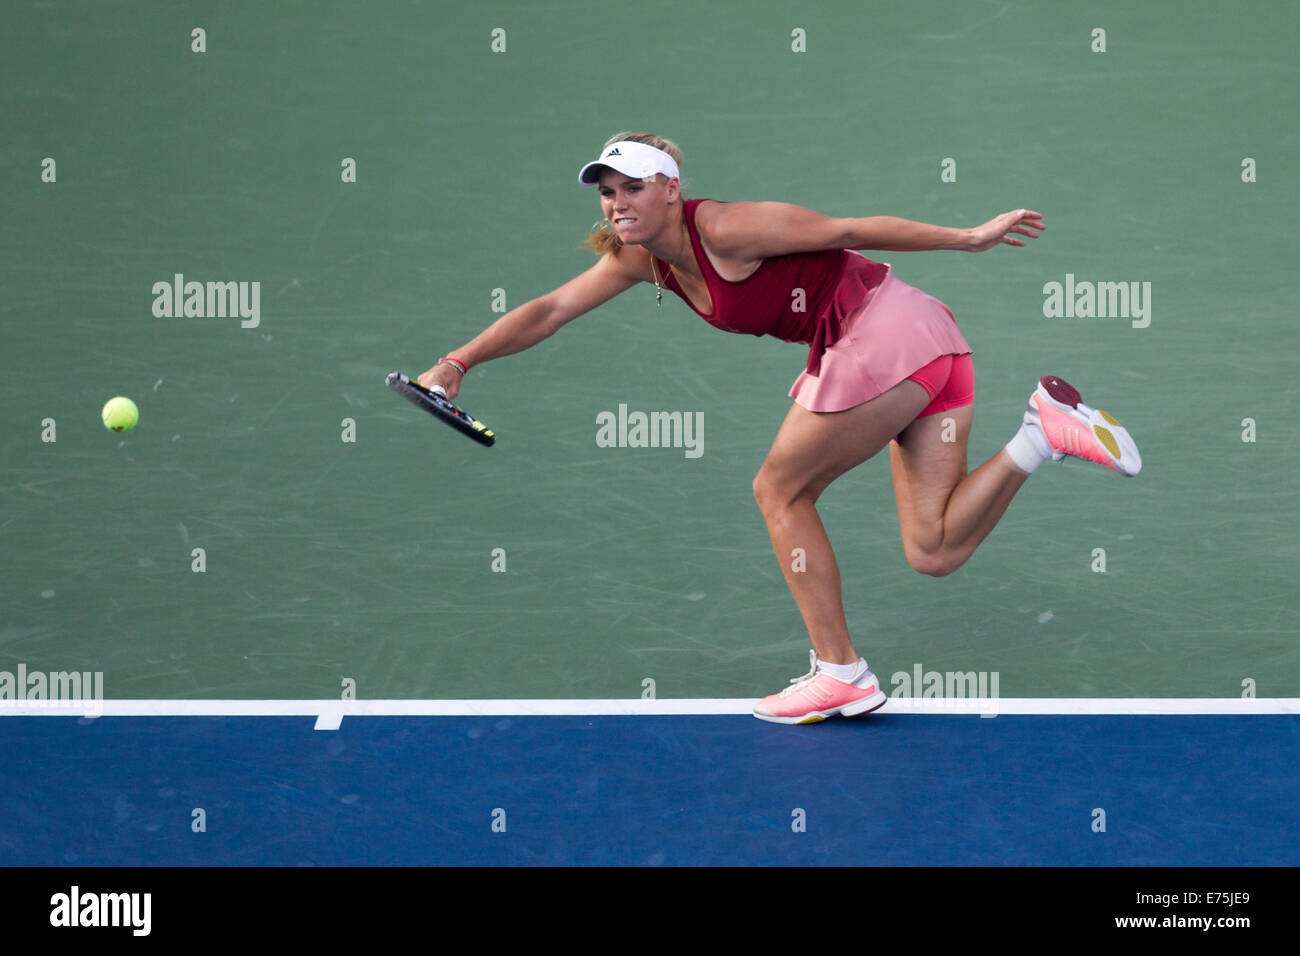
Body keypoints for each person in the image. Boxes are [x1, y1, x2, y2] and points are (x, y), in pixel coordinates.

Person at [419, 132, 1141, 725]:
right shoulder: (640, 262)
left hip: (882, 335)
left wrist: (969, 237)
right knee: (935, 548)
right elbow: (549, 309)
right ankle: (1042, 433)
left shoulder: (728, 228)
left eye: (632, 187)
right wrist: (458, 363)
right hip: (930, 348)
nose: (618, 203)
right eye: (608, 192)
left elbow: (849, 229)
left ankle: (841, 673)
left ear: (671, 187)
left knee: (779, 490)